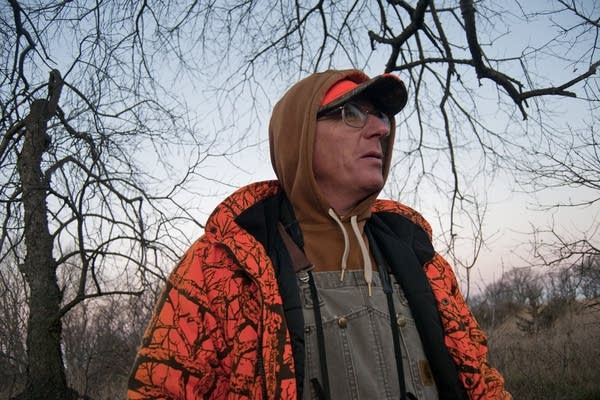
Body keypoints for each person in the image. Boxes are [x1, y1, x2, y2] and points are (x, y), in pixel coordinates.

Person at [128, 69, 511, 400]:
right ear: (299, 136)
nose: (380, 129)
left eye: (381, 117)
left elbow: (478, 380)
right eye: (351, 114)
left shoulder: (418, 255)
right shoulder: (223, 266)